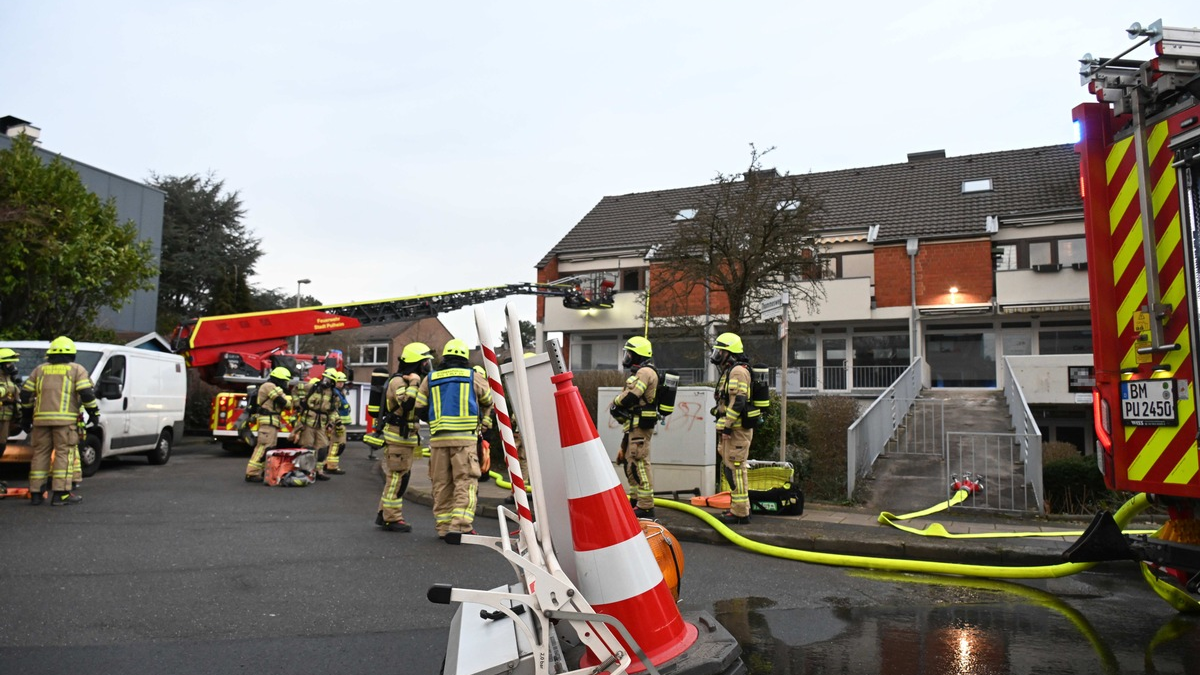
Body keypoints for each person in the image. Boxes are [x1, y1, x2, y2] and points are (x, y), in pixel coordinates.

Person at [414, 339, 493, 540]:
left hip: (438, 441)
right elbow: (488, 400)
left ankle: (443, 527)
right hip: (464, 441)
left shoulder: (430, 378)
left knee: (441, 484)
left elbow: (419, 408)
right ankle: (460, 527)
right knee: (465, 482)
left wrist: (437, 420)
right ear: (465, 358)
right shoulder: (472, 376)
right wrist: (482, 419)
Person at [19, 336, 99, 506]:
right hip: (65, 423)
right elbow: (86, 393)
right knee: (64, 455)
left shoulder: (39, 370)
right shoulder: (76, 369)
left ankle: (36, 494)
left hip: (40, 422)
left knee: (40, 454)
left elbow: (25, 394)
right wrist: (93, 413)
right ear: (72, 355)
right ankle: (61, 494)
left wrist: (26, 417)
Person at [375, 342, 434, 533]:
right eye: (424, 362)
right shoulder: (398, 382)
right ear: (416, 363)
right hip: (397, 439)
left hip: (406, 438)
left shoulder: (409, 382)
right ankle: (391, 518)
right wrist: (415, 382)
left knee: (399, 477)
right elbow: (407, 405)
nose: (427, 366)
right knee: (397, 479)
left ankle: (383, 513)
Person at [609, 336, 659, 519]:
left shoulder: (645, 372)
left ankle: (646, 506)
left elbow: (632, 395)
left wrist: (615, 402)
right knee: (631, 462)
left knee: (640, 463)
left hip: (640, 425)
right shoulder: (641, 371)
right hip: (634, 424)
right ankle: (636, 500)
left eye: (629, 353)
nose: (627, 357)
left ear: (638, 354)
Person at [711, 332, 754, 525]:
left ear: (729, 352)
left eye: (720, 351)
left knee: (736, 470)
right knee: (731, 469)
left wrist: (727, 427)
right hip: (732, 430)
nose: (717, 354)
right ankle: (738, 509)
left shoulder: (737, 372)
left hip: (736, 431)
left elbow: (738, 402)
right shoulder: (731, 371)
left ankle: (740, 513)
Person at [244, 366, 293, 482]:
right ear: (279, 379)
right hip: (267, 423)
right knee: (263, 447)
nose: (286, 384)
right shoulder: (269, 386)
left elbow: (288, 405)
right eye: (285, 380)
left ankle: (259, 472)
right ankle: (251, 473)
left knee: (269, 448)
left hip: (272, 423)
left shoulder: (273, 387)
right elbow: (284, 402)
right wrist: (285, 398)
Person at [298, 369, 340, 480]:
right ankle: (304, 471)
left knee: (322, 448)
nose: (326, 381)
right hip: (308, 423)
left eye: (329, 380)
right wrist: (299, 403)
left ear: (333, 382)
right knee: (307, 447)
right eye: (325, 378)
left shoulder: (333, 395)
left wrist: (331, 423)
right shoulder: (312, 387)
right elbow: (296, 389)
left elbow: (333, 411)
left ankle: (318, 471)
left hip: (321, 425)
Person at [323, 370, 350, 475]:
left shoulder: (339, 393)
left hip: (340, 423)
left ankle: (327, 464)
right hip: (337, 423)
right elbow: (335, 409)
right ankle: (332, 466)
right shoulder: (334, 393)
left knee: (335, 445)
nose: (341, 384)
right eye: (339, 382)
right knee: (336, 445)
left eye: (343, 382)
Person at [0, 348, 21, 458]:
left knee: (2, 444)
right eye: (9, 363)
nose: (12, 366)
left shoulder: (9, 378)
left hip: (6, 418)